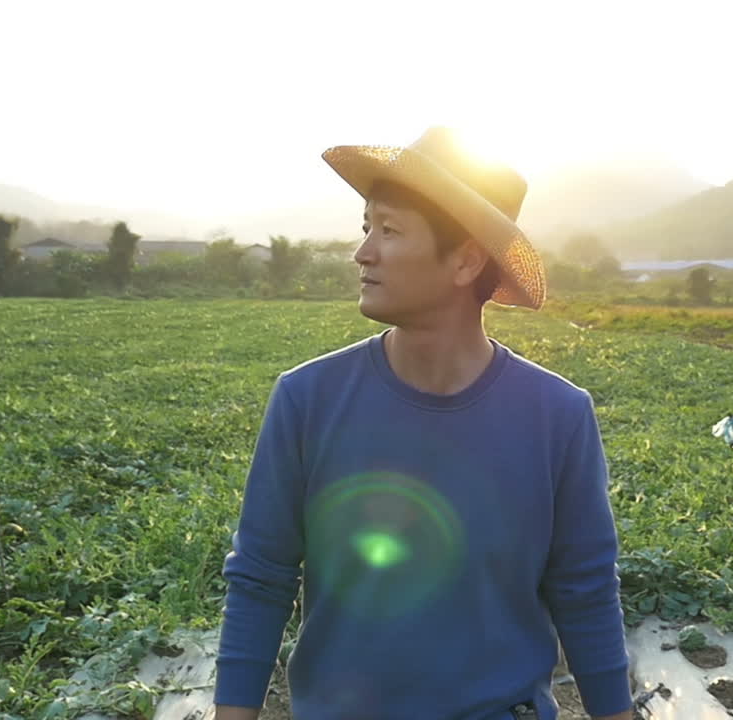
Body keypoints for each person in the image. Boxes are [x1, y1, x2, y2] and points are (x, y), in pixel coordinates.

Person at [214, 127, 632, 720]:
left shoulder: (557, 415)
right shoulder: (308, 399)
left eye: (389, 231)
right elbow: (261, 577)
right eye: (366, 228)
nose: (363, 253)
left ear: (465, 259)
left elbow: (584, 591)